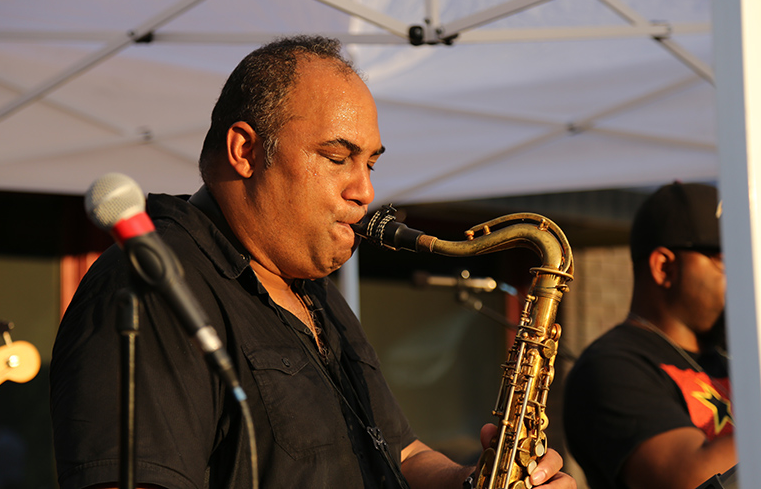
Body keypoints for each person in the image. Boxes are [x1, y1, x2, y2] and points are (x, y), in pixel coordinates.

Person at [50, 35, 575, 489]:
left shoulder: (314, 291)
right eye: (337, 157)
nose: (365, 190)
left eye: (370, 162)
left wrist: (471, 479)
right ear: (245, 150)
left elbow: (401, 453)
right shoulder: (153, 285)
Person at [563, 182, 734, 489]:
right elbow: (691, 478)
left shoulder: (728, 358)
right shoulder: (610, 367)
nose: (742, 275)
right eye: (725, 260)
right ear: (664, 267)